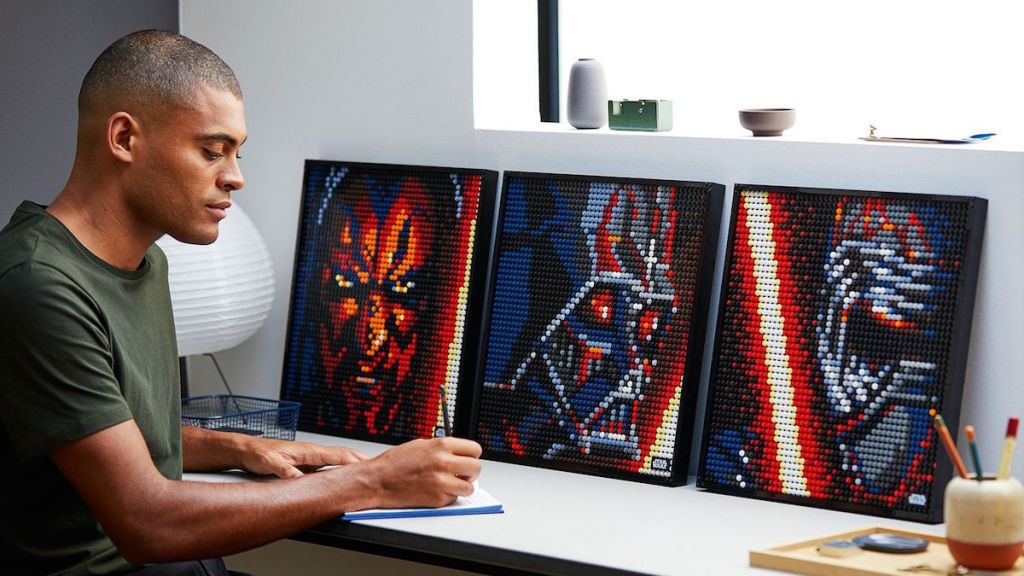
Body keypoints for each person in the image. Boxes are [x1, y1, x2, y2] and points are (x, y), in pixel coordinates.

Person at [0, 30, 482, 576]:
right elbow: (148, 521)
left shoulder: (144, 263)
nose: (235, 177)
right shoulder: (39, 285)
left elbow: (103, 432)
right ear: (124, 138)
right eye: (212, 150)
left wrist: (237, 447)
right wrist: (373, 480)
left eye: (236, 152)